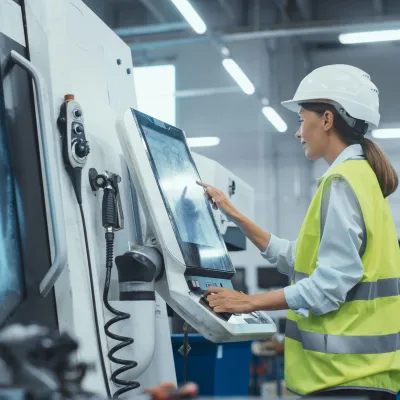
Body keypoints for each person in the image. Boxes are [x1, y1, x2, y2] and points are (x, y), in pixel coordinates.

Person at [196, 64, 400, 399]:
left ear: (327, 119)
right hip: (359, 377)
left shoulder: (341, 183)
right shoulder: (360, 178)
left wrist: (249, 302)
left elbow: (329, 286)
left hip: (342, 378)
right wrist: (235, 215)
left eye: (301, 118)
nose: (298, 131)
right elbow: (298, 258)